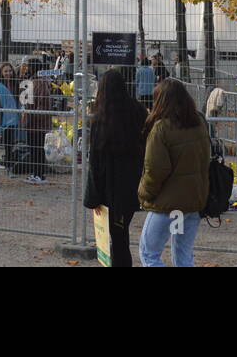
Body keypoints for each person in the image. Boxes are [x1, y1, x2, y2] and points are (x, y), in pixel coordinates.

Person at [136, 78, 210, 267]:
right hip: (193, 200)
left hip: (168, 203)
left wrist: (144, 193)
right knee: (183, 254)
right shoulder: (199, 123)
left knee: (149, 253)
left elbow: (156, 170)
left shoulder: (161, 129)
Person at [84, 69, 148, 267]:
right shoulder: (138, 112)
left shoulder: (101, 119)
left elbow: (95, 162)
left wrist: (93, 196)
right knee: (120, 235)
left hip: (111, 188)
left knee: (118, 238)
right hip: (133, 183)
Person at [0, 63, 20, 167]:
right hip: (0, 117)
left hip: (12, 118)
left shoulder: (15, 83)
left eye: (10, 71)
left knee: (9, 143)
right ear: (1, 72)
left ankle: (9, 165)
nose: (8, 73)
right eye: (6, 71)